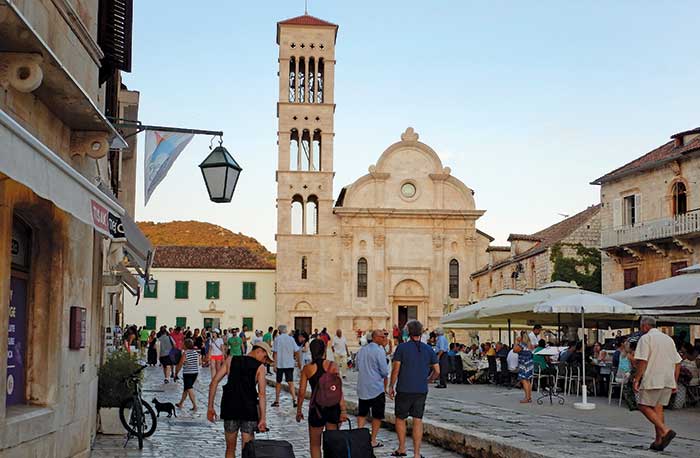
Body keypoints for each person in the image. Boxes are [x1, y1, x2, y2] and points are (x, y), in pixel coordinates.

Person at [208, 341, 273, 458]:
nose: (264, 360)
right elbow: (262, 394)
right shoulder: (260, 367)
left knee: (230, 449)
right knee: (247, 450)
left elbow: (214, 382)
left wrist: (210, 407)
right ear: (259, 351)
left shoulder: (230, 360)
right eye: (265, 357)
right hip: (249, 410)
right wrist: (263, 418)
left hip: (230, 408)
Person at [388, 320, 439, 458]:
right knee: (418, 419)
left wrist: (391, 385)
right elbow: (437, 370)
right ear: (421, 332)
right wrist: (429, 379)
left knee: (400, 418)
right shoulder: (429, 349)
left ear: (408, 332)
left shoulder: (402, 348)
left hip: (404, 388)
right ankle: (416, 454)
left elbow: (396, 369)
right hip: (421, 389)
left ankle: (402, 448)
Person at [633, 316, 682, 451]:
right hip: (667, 378)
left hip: (653, 378)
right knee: (658, 407)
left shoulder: (646, 338)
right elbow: (678, 362)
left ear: (644, 326)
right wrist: (674, 381)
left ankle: (665, 431)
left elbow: (643, 361)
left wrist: (637, 379)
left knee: (643, 405)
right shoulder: (668, 339)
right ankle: (659, 440)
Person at [296, 339, 348, 458]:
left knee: (315, 445)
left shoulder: (307, 369)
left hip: (316, 409)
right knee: (332, 444)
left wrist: (299, 410)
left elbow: (302, 392)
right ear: (324, 350)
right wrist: (343, 410)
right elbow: (339, 390)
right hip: (333, 407)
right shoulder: (332, 365)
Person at [356, 329, 389, 449]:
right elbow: (385, 371)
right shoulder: (379, 351)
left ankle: (359, 438)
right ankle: (373, 440)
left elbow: (357, 366)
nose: (384, 339)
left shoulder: (362, 350)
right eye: (382, 337)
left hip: (363, 387)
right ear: (376, 338)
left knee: (362, 413)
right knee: (377, 415)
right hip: (376, 388)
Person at [272, 324, 299, 407]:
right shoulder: (291, 339)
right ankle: (294, 399)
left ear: (279, 331)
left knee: (278, 382)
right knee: (290, 382)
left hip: (280, 364)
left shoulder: (277, 339)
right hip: (289, 363)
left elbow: (275, 352)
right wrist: (296, 360)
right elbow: (296, 350)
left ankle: (277, 401)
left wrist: (274, 364)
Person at [176, 338, 200, 411]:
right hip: (195, 373)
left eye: (183, 344)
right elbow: (199, 362)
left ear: (186, 345)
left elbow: (180, 364)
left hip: (188, 373)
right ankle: (181, 403)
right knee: (186, 389)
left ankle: (195, 406)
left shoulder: (185, 353)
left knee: (189, 388)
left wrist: (176, 373)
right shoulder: (196, 353)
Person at [514, 332, 534, 403]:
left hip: (524, 363)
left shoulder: (522, 345)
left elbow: (514, 350)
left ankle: (527, 397)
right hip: (529, 363)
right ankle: (529, 397)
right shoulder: (530, 344)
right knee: (528, 380)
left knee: (524, 380)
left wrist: (516, 341)